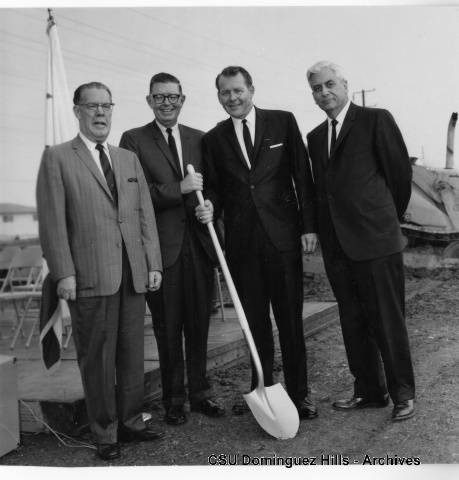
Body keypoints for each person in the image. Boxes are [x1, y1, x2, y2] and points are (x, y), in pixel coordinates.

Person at [36, 82, 164, 461]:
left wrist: (153, 263)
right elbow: (52, 222)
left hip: (132, 274)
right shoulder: (57, 158)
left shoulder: (127, 158)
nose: (100, 113)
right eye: (91, 106)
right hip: (89, 277)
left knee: (131, 355)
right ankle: (105, 433)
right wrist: (64, 274)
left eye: (106, 105)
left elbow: (144, 215)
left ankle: (131, 422)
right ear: (77, 110)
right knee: (97, 358)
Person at [197, 66, 318, 420]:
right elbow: (217, 188)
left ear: (251, 89)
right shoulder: (214, 139)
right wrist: (210, 206)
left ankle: (299, 394)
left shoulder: (282, 122)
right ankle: (261, 390)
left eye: (238, 90)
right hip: (243, 246)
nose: (233, 98)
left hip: (283, 240)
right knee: (255, 324)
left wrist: (308, 227)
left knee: (290, 321)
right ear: (218, 96)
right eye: (225, 93)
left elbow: (302, 177)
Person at [306, 61, 415, 421]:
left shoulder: (375, 119)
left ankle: (402, 394)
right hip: (338, 247)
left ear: (345, 84)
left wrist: (383, 221)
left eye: (329, 84)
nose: (324, 92)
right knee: (353, 321)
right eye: (317, 88)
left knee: (387, 320)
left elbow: (399, 176)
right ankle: (369, 390)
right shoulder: (315, 138)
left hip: (377, 241)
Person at [119, 73, 225, 426]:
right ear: (149, 101)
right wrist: (177, 188)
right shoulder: (133, 140)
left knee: (199, 324)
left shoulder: (201, 138)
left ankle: (200, 393)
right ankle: (174, 400)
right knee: (168, 327)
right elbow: (134, 194)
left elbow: (214, 189)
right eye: (159, 97)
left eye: (173, 97)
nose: (167, 103)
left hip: (199, 245)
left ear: (183, 99)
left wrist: (210, 204)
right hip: (161, 250)